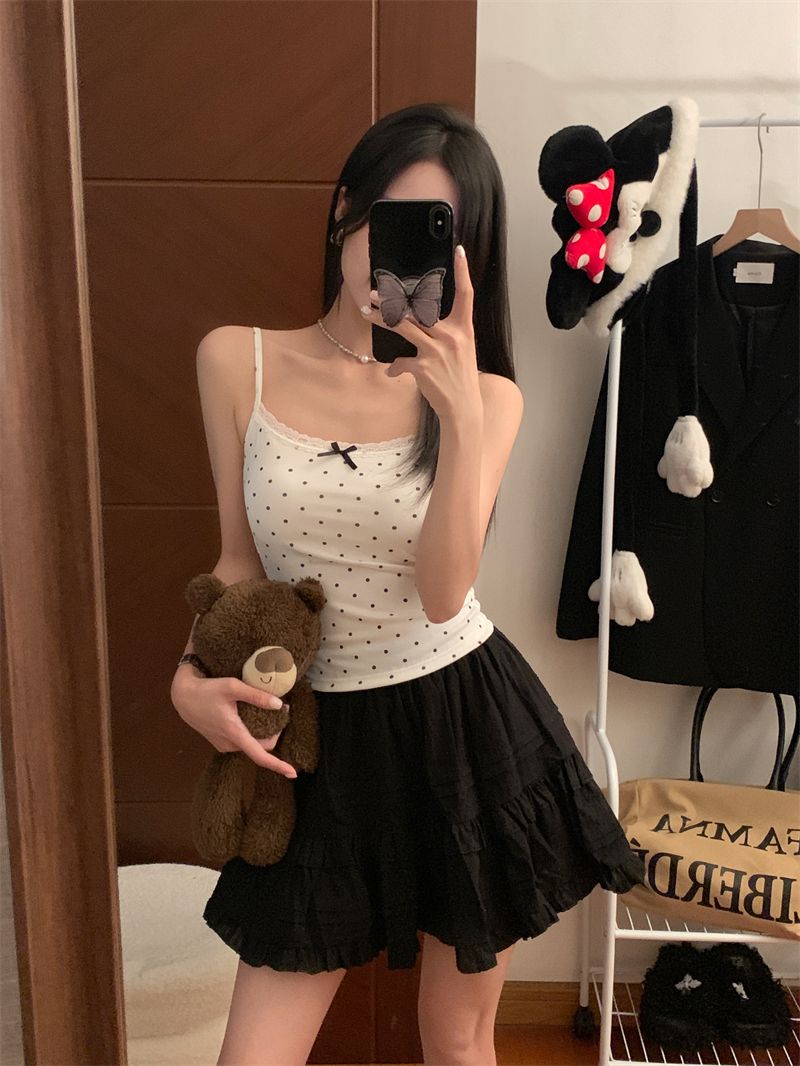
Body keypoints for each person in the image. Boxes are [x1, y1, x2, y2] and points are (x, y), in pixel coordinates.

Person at [170, 102, 646, 1066]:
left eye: (443, 239)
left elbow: (442, 594)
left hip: (460, 725)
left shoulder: (491, 400)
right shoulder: (234, 360)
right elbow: (239, 565)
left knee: (459, 1039)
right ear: (346, 212)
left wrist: (460, 416)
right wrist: (186, 680)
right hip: (312, 735)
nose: (406, 264)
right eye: (395, 224)